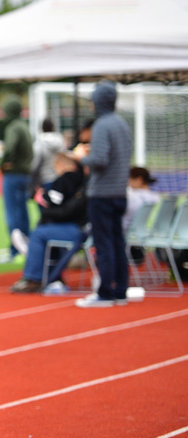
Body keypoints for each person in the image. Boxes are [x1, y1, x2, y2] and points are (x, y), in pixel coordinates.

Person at [74, 81, 132, 308]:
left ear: (98, 102)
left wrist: (80, 158)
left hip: (102, 193)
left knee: (104, 243)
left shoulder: (102, 125)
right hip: (119, 191)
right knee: (118, 242)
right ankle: (121, 289)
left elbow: (99, 161)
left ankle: (106, 292)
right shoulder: (121, 124)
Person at [9, 152, 88, 294]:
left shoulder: (64, 180)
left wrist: (44, 204)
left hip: (76, 228)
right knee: (46, 231)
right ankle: (49, 273)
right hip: (82, 227)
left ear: (60, 165)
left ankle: (34, 277)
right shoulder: (84, 181)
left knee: (39, 234)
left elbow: (57, 206)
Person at [0, 97, 33, 263]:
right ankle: (27, 247)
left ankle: (15, 250)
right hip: (26, 175)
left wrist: (2, 163)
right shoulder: (24, 126)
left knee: (13, 214)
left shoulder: (13, 128)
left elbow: (10, 148)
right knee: (23, 213)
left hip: (13, 175)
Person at [123, 166, 160, 264]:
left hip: (129, 235)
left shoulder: (132, 198)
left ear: (139, 179)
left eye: (129, 179)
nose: (127, 182)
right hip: (149, 233)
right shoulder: (156, 198)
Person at [29, 118, 65, 194]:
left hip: (45, 178)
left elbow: (35, 163)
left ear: (42, 128)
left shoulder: (39, 143)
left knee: (45, 203)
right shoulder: (61, 142)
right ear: (53, 127)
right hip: (60, 178)